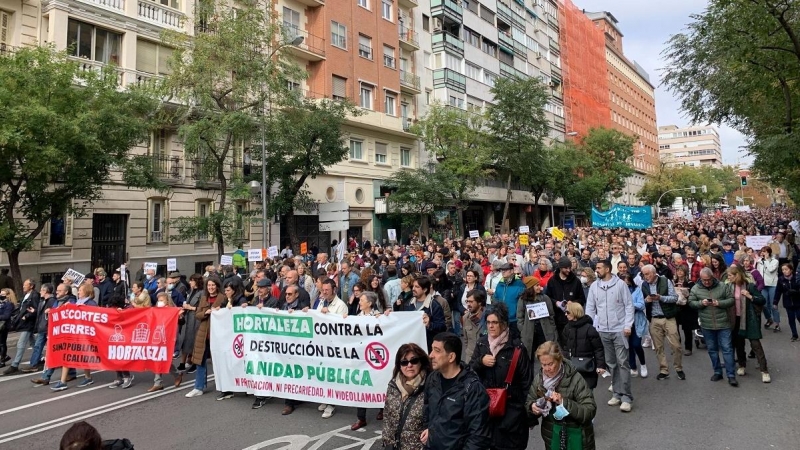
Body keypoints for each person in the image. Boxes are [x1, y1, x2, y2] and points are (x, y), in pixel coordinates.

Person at [470, 303, 533, 450]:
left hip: (512, 413)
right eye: (489, 322)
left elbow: (526, 382)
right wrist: (481, 361)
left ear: (504, 324)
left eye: (495, 322)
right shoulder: (482, 343)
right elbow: (470, 372)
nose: (491, 326)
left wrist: (529, 415)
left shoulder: (517, 347)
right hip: (487, 410)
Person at [422, 332, 490, 450]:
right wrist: (430, 430)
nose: (431, 355)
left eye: (437, 350)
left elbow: (478, 436)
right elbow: (428, 410)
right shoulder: (432, 379)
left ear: (451, 357)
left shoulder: (472, 388)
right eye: (432, 349)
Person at [526, 342, 597, 450]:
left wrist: (564, 402)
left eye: (550, 364)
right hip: (552, 436)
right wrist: (532, 407)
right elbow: (529, 401)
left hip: (576, 436)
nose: (547, 369)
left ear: (559, 360)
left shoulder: (575, 379)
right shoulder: (539, 379)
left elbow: (589, 410)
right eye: (543, 364)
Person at [585, 260, 634, 412]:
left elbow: (629, 306)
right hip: (603, 331)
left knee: (623, 363)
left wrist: (627, 326)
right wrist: (590, 327)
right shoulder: (594, 286)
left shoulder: (620, 285)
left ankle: (626, 397)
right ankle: (617, 393)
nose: (596, 270)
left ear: (607, 269)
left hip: (619, 330)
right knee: (611, 363)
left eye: (599, 268)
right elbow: (590, 308)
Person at [689, 267, 738, 386]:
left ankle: (731, 375)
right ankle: (717, 372)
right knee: (712, 350)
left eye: (708, 279)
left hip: (723, 323)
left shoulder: (722, 286)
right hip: (707, 325)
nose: (706, 282)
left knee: (727, 349)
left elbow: (731, 300)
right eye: (704, 280)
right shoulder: (696, 288)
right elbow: (691, 302)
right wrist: (701, 303)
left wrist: (719, 303)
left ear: (713, 277)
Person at [382, 343, 431, 450]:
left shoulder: (431, 386)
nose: (409, 365)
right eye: (404, 362)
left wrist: (432, 431)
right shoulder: (393, 385)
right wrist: (387, 442)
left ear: (421, 362)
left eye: (414, 361)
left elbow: (441, 417)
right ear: (399, 365)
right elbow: (387, 417)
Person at [725, 265, 770, 383]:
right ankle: (742, 365)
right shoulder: (729, 286)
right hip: (735, 319)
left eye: (730, 275)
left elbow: (762, 300)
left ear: (737, 275)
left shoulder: (750, 286)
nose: (728, 277)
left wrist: (750, 296)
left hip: (749, 319)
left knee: (756, 345)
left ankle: (764, 371)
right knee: (738, 344)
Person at [640, 264, 685, 381]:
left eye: (647, 274)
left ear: (654, 273)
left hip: (668, 317)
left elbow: (674, 298)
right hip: (654, 319)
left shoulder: (665, 281)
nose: (645, 277)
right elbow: (641, 303)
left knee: (676, 346)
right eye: (643, 274)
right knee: (659, 347)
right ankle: (664, 370)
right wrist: (647, 300)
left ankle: (678, 368)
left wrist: (661, 298)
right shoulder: (644, 285)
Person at [185, 277, 224, 398]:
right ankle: (198, 387)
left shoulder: (223, 298)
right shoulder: (203, 298)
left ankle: (225, 387)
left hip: (217, 334)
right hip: (203, 333)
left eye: (213, 285)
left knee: (220, 362)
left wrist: (220, 311)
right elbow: (198, 315)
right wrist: (206, 312)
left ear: (217, 286)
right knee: (200, 360)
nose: (211, 287)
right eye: (209, 285)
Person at [352, 291, 385, 429]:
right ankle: (361, 418)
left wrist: (382, 319)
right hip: (361, 358)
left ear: (370, 304)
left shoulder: (379, 317)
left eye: (362, 300)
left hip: (374, 357)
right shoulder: (357, 317)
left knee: (380, 383)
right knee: (362, 386)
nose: (359, 302)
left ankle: (382, 409)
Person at [395, 276, 446, 351]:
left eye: (417, 287)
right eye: (413, 286)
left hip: (427, 347)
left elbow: (442, 327)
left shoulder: (434, 306)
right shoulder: (408, 303)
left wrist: (429, 325)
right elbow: (400, 319)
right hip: (410, 346)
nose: (413, 289)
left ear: (425, 289)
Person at [564, 302, 606, 389]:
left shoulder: (590, 329)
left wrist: (600, 365)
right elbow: (564, 347)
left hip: (587, 368)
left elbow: (598, 349)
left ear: (574, 312)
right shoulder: (567, 328)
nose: (565, 314)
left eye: (568, 312)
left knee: (587, 394)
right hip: (572, 368)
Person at [3, 280, 37, 375]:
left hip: (28, 323)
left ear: (31, 286)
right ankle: (41, 358)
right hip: (25, 322)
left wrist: (27, 316)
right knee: (34, 343)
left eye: (25, 285)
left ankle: (15, 364)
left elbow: (35, 309)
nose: (23, 286)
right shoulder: (26, 295)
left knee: (21, 343)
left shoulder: (34, 295)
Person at [517, 276, 557, 357]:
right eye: (537, 285)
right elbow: (520, 317)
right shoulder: (523, 300)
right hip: (529, 333)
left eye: (539, 285)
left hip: (544, 331)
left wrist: (552, 329)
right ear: (531, 287)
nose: (539, 287)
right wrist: (523, 330)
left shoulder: (545, 298)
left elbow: (551, 315)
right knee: (530, 356)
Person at [619, 272, 648, 379]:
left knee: (636, 344)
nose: (626, 285)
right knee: (629, 346)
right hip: (623, 322)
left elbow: (641, 304)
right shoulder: (618, 292)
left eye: (628, 282)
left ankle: (643, 364)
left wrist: (630, 305)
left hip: (636, 322)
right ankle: (633, 367)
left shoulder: (637, 290)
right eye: (624, 283)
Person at [178, 274, 203, 373]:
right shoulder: (192, 291)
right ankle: (183, 363)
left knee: (193, 341)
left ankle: (194, 363)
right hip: (188, 318)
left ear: (196, 281)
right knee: (185, 340)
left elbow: (202, 308)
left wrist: (190, 307)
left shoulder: (202, 293)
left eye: (192, 280)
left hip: (195, 319)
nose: (190, 282)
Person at [673, 265, 698, 356]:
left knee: (687, 329)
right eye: (678, 270)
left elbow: (693, 295)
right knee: (674, 329)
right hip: (676, 307)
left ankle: (688, 348)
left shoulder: (690, 283)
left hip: (686, 308)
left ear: (685, 272)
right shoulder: (673, 282)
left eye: (681, 271)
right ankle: (677, 347)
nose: (679, 272)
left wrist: (686, 293)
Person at [492, 262, 526, 326]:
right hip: (501, 318)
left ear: (512, 271)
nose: (503, 272)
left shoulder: (519, 284)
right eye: (502, 270)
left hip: (514, 320)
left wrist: (519, 317)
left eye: (505, 270)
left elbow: (523, 303)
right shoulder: (500, 283)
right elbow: (495, 298)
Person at [775, 263, 800, 341]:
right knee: (791, 319)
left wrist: (796, 292)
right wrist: (775, 302)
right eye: (783, 270)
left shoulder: (796, 278)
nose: (784, 271)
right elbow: (778, 291)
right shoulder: (781, 279)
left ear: (791, 270)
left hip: (798, 302)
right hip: (788, 303)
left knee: (799, 316)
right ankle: (794, 335)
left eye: (786, 269)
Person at [461, 289, 487, 363]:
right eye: (467, 301)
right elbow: (466, 340)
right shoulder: (465, 318)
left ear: (479, 303)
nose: (468, 304)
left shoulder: (488, 317)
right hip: (470, 358)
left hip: (486, 358)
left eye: (471, 302)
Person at [757, 246, 780, 330]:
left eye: (765, 252)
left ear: (769, 252)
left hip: (772, 284)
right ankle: (769, 319)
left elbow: (770, 270)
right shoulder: (759, 261)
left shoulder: (775, 261)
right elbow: (758, 272)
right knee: (764, 304)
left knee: (773, 305)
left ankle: (777, 323)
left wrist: (766, 260)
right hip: (763, 285)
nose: (763, 253)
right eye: (762, 251)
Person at [0, 288, 15, 367]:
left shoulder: (9, 304)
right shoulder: (1, 303)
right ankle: (4, 356)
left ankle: (2, 360)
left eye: (3, 295)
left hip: (4, 326)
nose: (1, 296)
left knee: (2, 343)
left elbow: (6, 316)